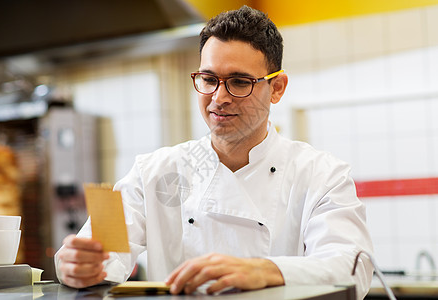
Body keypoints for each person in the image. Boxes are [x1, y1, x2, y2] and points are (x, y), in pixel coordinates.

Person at [55, 5, 374, 299]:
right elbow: (100, 254)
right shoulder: (153, 171)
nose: (219, 98)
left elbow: (353, 268)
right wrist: (76, 265)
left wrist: (266, 269)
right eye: (208, 79)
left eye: (238, 82)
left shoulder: (321, 174)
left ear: (276, 88)